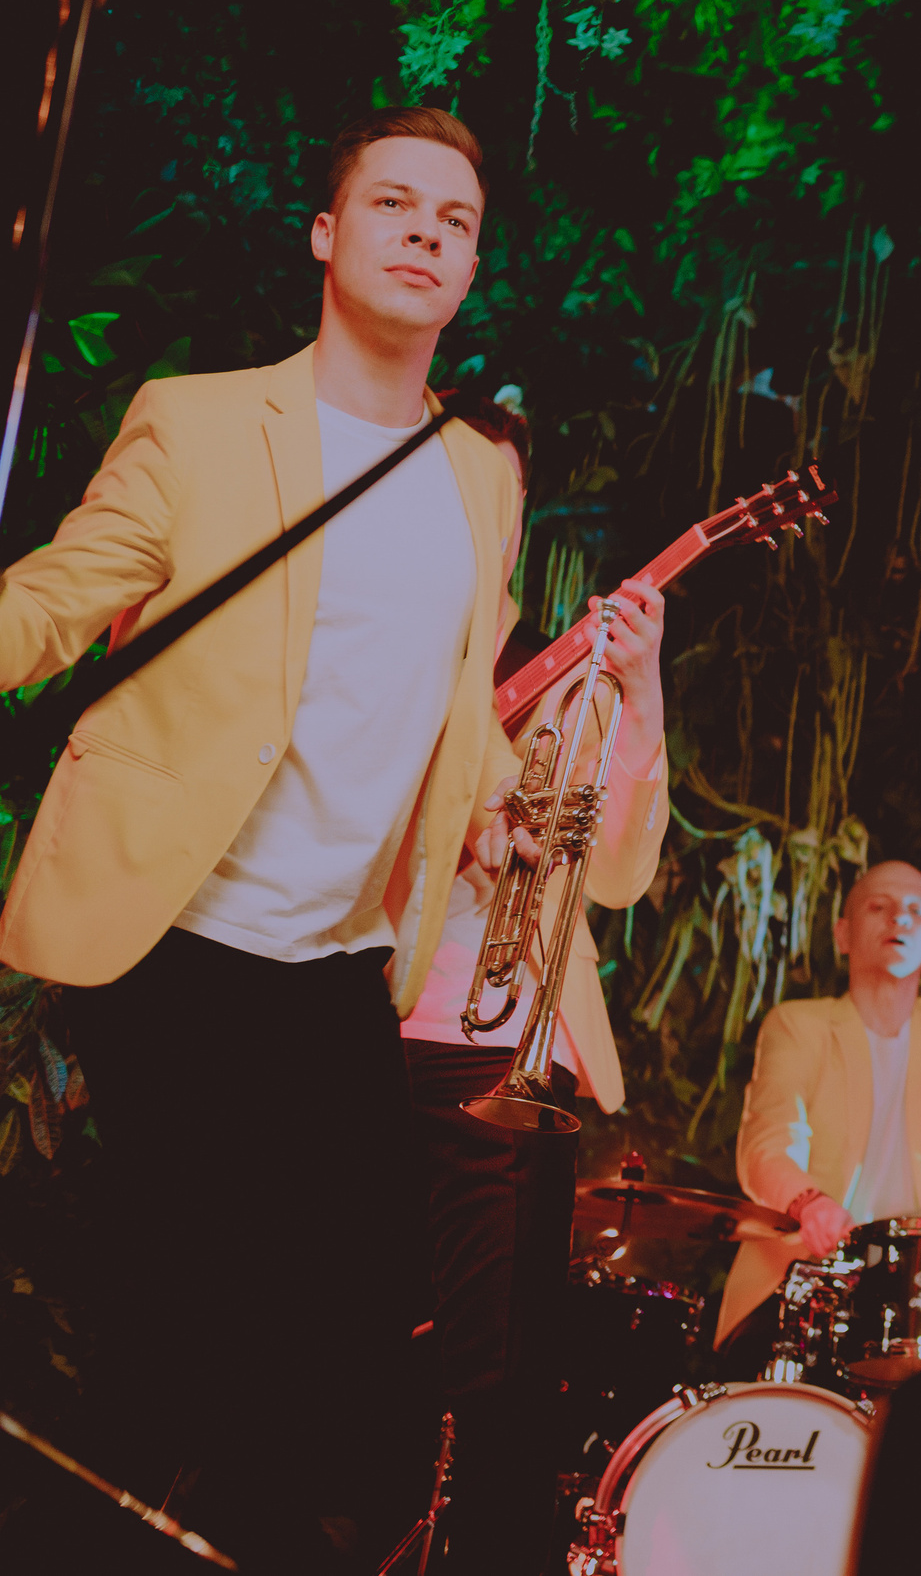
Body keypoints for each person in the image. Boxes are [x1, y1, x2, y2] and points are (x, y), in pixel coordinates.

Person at [0, 107, 523, 1571]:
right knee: (195, 1321)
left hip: (337, 962)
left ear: (472, 266)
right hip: (177, 941)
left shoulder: (485, 472)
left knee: (356, 1342)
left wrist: (485, 811)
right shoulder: (203, 416)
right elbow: (62, 588)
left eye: (458, 219)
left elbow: (462, 691)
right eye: (395, 203)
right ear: (326, 233)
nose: (427, 230)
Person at [399, 568, 671, 1572]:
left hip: (500, 1041)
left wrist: (639, 694)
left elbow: (620, 870)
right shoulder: (393, 630)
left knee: (503, 1373)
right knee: (344, 1333)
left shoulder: (560, 682)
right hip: (349, 1016)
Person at [712, 861, 921, 1369]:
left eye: (914, 911)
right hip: (803, 1288)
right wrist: (809, 1202)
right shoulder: (798, 1025)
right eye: (878, 907)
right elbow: (765, 1146)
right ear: (843, 933)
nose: (898, 920)